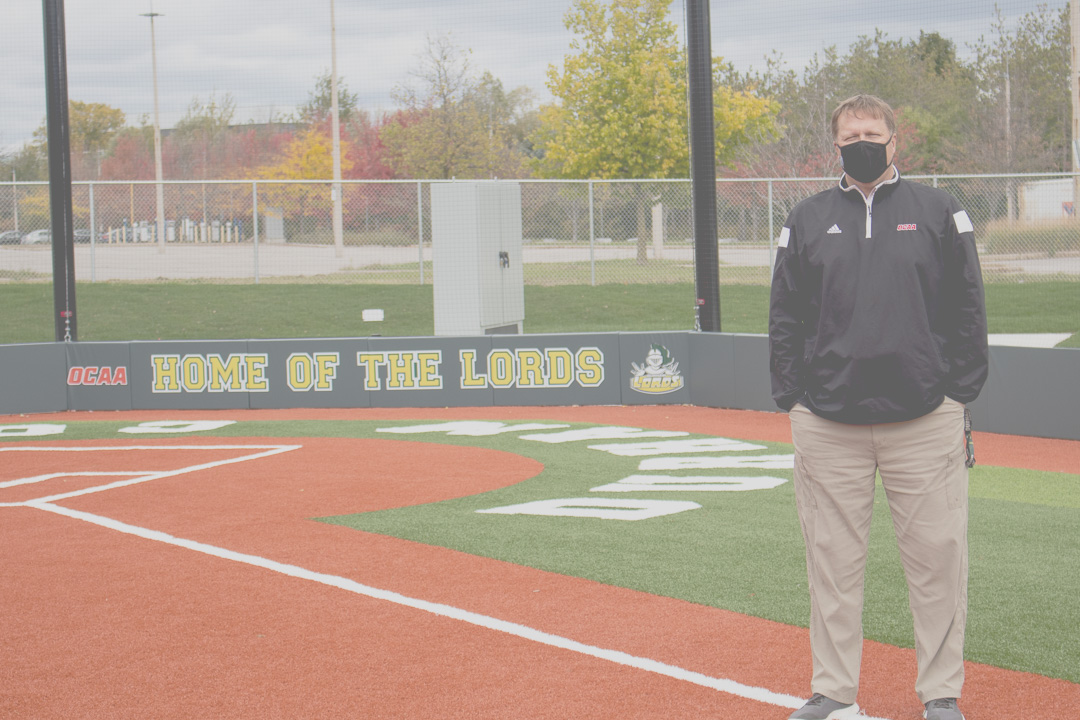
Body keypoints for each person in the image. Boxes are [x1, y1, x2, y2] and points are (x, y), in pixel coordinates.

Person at [768, 94, 989, 720]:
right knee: (832, 567)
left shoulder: (940, 211)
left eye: (872, 131)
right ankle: (833, 692)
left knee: (938, 564)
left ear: (895, 141)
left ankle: (940, 695)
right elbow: (785, 314)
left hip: (923, 419)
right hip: (829, 423)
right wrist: (795, 399)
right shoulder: (807, 218)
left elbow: (967, 305)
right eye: (849, 134)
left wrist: (957, 393)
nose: (860, 141)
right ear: (834, 144)